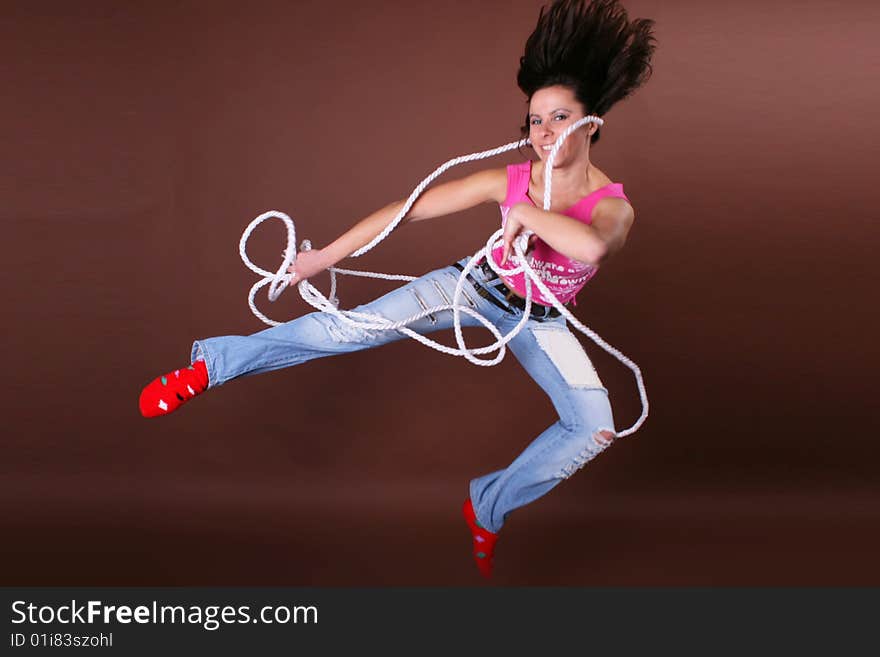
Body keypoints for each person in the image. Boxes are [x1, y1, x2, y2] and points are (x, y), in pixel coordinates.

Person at [138, 0, 656, 579]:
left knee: (593, 425)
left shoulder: (612, 205)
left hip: (542, 319)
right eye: (535, 120)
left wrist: (528, 219)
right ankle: (213, 364)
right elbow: (406, 210)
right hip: (473, 289)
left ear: (593, 124)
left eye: (559, 118)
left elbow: (594, 248)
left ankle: (487, 506)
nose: (542, 133)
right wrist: (325, 257)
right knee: (347, 329)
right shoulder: (507, 180)